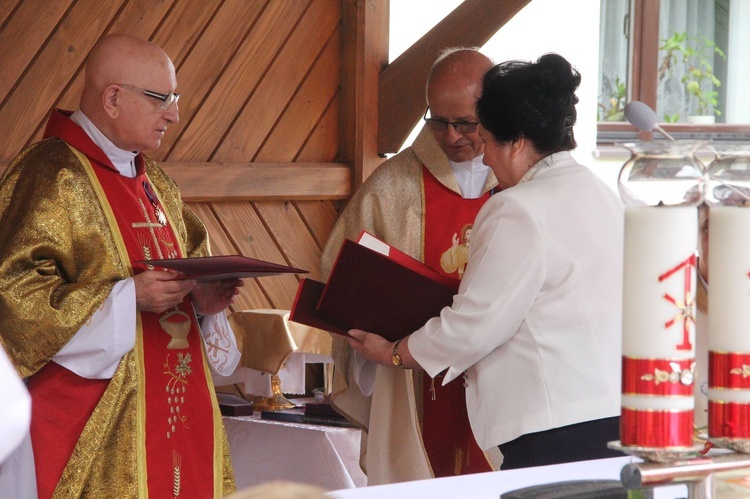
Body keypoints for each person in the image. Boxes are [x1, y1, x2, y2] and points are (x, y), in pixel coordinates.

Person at [348, 53, 625, 470]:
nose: (487, 160)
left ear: (515, 140)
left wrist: (394, 353)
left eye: (489, 143)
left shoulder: (516, 208)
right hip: (613, 420)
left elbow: (473, 325)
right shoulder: (600, 192)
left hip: (550, 432)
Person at [0, 34, 243, 497]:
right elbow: (15, 298)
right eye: (161, 99)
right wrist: (129, 297)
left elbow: (195, 270)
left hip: (173, 415)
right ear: (112, 98)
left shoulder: (158, 186)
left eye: (176, 98)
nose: (173, 113)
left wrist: (205, 302)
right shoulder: (49, 174)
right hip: (90, 424)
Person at [321, 47, 497, 483]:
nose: (451, 135)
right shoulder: (389, 187)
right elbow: (340, 280)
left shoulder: (524, 184)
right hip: (411, 382)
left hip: (499, 376)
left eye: (465, 123)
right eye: (438, 121)